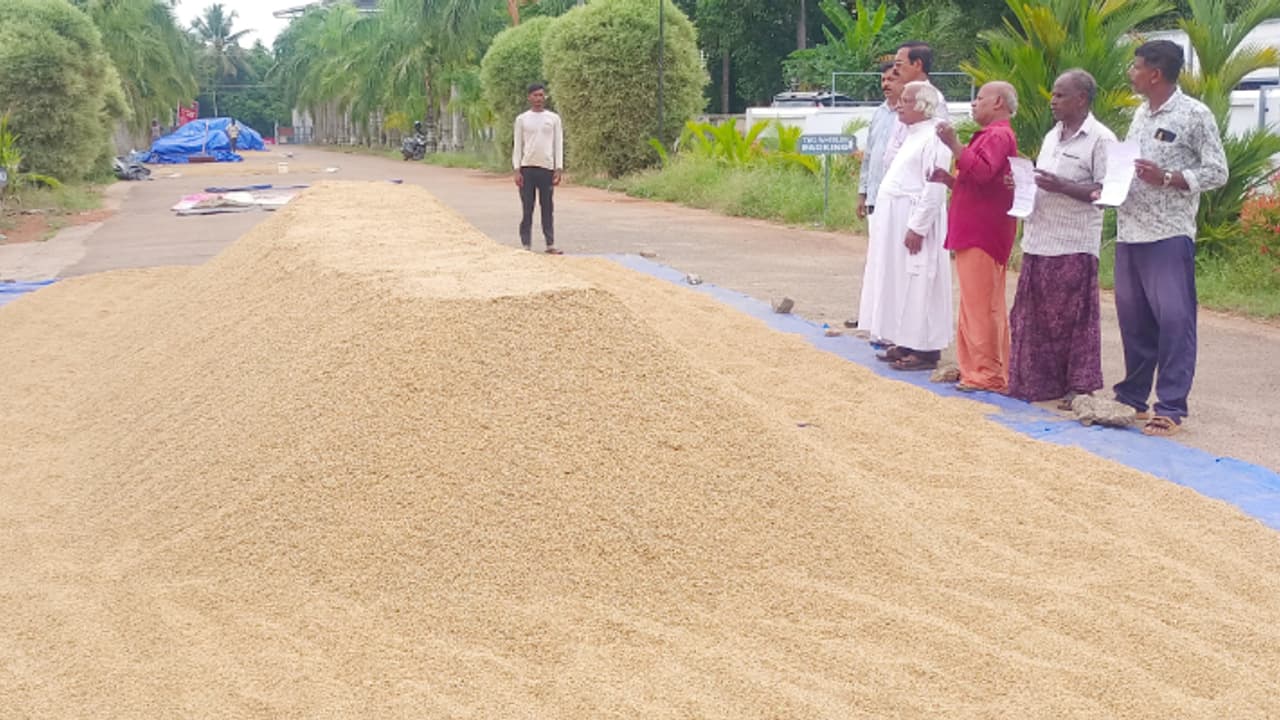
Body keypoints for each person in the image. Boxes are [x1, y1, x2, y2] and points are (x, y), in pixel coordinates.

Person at [1112, 40, 1227, 436]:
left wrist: (1168, 178)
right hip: (1130, 230)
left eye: (1136, 66)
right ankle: (1132, 397)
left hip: (1168, 232)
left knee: (1175, 321)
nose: (1131, 73)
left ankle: (1171, 406)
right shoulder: (1140, 114)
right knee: (1134, 321)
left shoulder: (1194, 114)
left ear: (1155, 74)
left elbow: (1218, 171)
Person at [1007, 70, 1116, 406]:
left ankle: (1078, 387)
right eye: (1053, 95)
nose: (1052, 101)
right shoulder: (1052, 136)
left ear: (1081, 99)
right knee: (1034, 316)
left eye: (1060, 95)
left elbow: (1107, 191)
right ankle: (1038, 382)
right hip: (1039, 238)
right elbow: (1044, 178)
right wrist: (1024, 182)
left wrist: (1063, 186)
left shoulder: (1100, 139)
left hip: (1073, 243)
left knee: (1072, 319)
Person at [932, 82, 1020, 393]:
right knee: (976, 303)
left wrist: (954, 145)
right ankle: (977, 367)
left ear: (997, 103)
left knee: (981, 305)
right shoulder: (991, 135)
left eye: (979, 98)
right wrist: (951, 181)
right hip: (976, 229)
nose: (973, 103)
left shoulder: (998, 135)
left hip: (983, 232)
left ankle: (988, 372)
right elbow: (982, 183)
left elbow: (982, 173)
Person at [862, 81, 954, 372]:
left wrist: (918, 227)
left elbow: (934, 187)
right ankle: (905, 339)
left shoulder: (935, 137)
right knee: (899, 281)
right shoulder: (914, 133)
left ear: (924, 105)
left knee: (920, 280)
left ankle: (925, 349)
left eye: (906, 100)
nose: (899, 105)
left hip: (916, 220)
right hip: (897, 218)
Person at [848, 61, 901, 330]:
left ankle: (888, 319)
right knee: (875, 259)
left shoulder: (907, 116)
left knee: (892, 262)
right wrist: (862, 193)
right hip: (875, 198)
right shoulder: (880, 113)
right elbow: (869, 156)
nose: (886, 84)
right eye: (883, 80)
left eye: (891, 79)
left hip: (897, 199)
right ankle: (871, 316)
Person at [512, 83, 564, 254]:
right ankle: (526, 244)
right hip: (527, 168)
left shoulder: (553, 119)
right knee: (528, 208)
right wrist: (517, 169)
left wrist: (558, 168)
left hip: (546, 168)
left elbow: (558, 144)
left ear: (545, 97)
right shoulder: (522, 119)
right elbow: (518, 145)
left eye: (541, 95)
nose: (538, 99)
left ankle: (550, 244)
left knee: (547, 207)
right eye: (535, 95)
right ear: (529, 97)